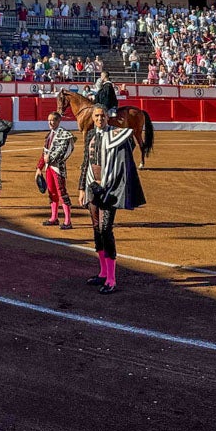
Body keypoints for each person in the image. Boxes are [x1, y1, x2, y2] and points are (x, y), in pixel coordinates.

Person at [78, 104, 144, 295]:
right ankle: (102, 272)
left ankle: (112, 279)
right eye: (97, 116)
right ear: (93, 118)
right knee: (96, 230)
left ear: (107, 117)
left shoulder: (116, 134)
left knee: (106, 230)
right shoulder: (90, 135)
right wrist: (81, 187)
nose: (99, 119)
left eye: (102, 116)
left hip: (109, 187)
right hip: (92, 185)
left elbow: (129, 145)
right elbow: (85, 162)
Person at [36, 110, 76, 229]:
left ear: (59, 121)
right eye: (49, 120)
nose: (51, 122)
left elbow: (64, 151)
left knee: (61, 192)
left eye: (53, 120)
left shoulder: (64, 134)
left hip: (58, 168)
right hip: (49, 168)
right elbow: (44, 152)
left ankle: (68, 221)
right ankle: (54, 217)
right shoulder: (49, 135)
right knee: (52, 192)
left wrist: (51, 158)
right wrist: (39, 167)